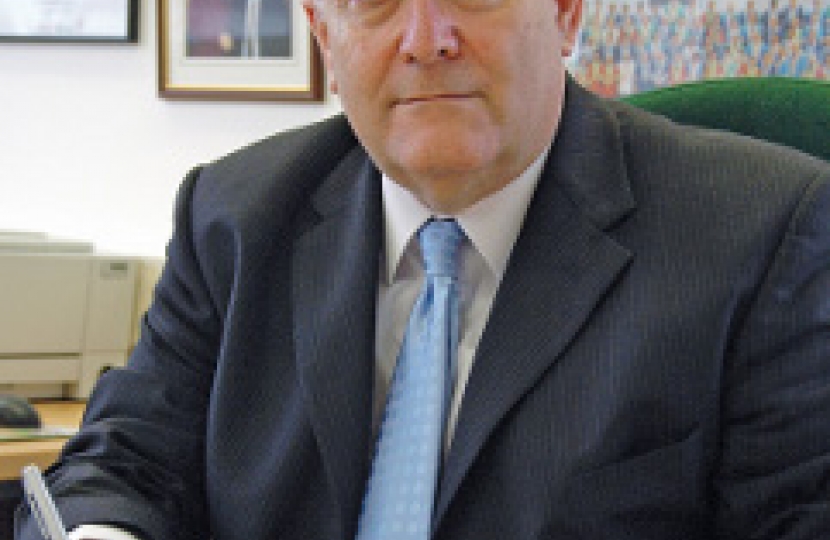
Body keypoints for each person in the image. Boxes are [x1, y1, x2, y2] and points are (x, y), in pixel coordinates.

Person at [15, 0, 830, 536]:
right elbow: (127, 461)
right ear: (324, 34)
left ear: (565, 12)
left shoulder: (761, 235)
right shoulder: (233, 217)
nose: (426, 39)